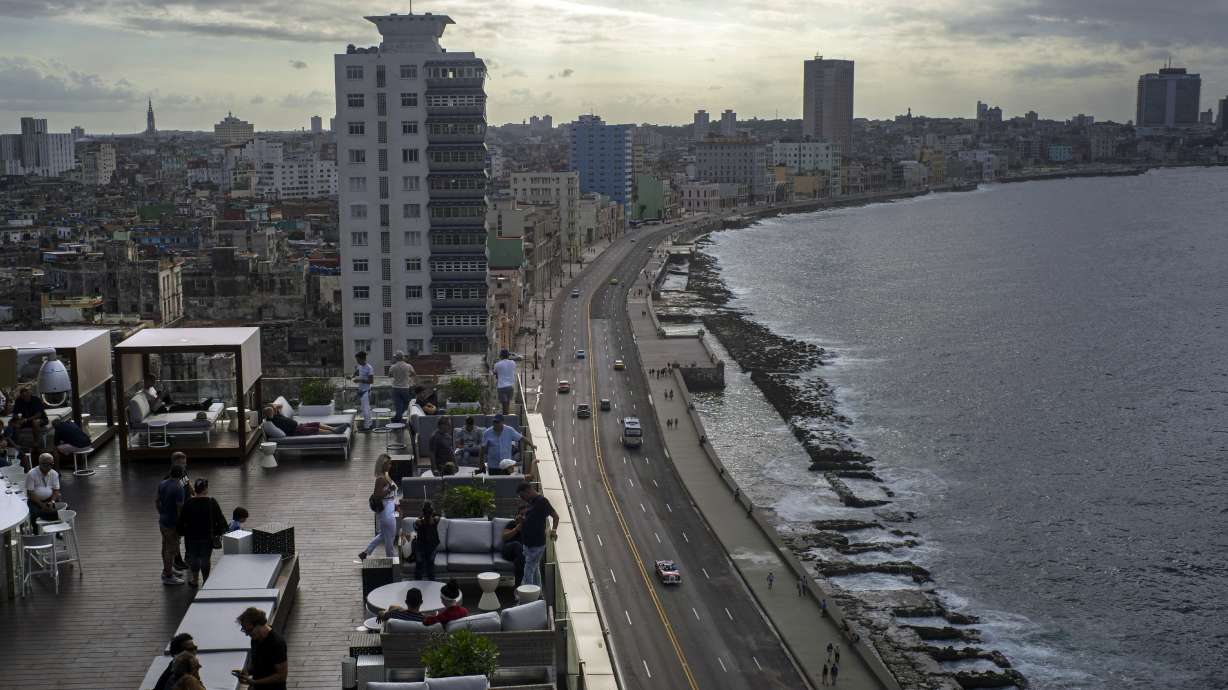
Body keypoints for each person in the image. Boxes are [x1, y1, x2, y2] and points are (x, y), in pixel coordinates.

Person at [177, 478, 229, 587]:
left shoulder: (189, 503)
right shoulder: (211, 502)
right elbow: (219, 518)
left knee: (194, 557)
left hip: (191, 536)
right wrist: (221, 531)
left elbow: (182, 520)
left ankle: (195, 580)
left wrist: (181, 532)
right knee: (205, 558)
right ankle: (206, 581)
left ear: (195, 489)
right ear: (205, 489)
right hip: (207, 536)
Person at [516, 481, 558, 588]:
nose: (522, 498)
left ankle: (526, 595)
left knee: (528, 570)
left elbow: (555, 516)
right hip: (529, 543)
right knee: (534, 569)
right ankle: (537, 593)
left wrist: (553, 530)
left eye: (522, 495)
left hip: (536, 544)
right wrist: (522, 520)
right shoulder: (532, 502)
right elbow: (533, 520)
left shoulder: (542, 501)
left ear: (528, 491)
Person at [236, 607, 288, 690]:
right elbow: (257, 662)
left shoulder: (277, 643)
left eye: (249, 630)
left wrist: (254, 682)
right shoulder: (255, 639)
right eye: (245, 631)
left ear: (259, 625)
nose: (247, 634)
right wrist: (247, 672)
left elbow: (281, 676)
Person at [358, 454, 398, 560]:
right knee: (390, 536)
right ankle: (391, 560)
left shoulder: (386, 476)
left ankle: (365, 552)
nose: (390, 466)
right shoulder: (380, 479)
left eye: (390, 463)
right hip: (387, 511)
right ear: (383, 464)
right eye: (388, 464)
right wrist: (389, 490)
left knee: (383, 534)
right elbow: (377, 495)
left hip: (389, 508)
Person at [157, 465, 188, 585]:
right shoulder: (178, 488)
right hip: (172, 524)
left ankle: (167, 570)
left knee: (165, 547)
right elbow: (180, 508)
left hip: (163, 521)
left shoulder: (162, 483)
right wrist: (181, 523)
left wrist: (162, 513)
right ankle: (168, 576)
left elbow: (157, 501)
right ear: (181, 475)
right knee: (171, 550)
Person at [25, 453, 61, 531]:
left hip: (50, 500)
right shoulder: (31, 474)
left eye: (52, 464)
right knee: (35, 514)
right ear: (40, 464)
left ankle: (57, 531)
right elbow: (30, 493)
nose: (50, 466)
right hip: (35, 501)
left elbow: (56, 490)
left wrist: (52, 501)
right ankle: (36, 532)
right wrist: (41, 505)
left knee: (63, 510)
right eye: (48, 464)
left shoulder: (54, 473)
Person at [8, 387, 48, 453]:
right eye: (23, 396)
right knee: (14, 423)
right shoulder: (19, 400)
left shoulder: (36, 400)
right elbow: (15, 413)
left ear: (29, 394)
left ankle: (36, 444)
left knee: (35, 422)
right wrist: (17, 418)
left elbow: (38, 414)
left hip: (40, 419)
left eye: (26, 396)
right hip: (24, 420)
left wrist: (26, 419)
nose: (25, 397)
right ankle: (16, 443)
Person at [263, 404, 344, 436]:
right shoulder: (271, 419)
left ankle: (334, 429)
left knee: (317, 423)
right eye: (273, 409)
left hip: (298, 426)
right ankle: (335, 433)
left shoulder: (277, 414)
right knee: (315, 429)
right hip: (295, 431)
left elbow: (280, 406)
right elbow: (269, 410)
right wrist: (271, 407)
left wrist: (274, 406)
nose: (274, 409)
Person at [413, 501, 441, 580]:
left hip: (425, 547)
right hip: (425, 547)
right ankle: (430, 582)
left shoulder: (419, 521)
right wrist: (432, 513)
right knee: (428, 565)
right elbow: (438, 516)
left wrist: (421, 516)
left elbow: (416, 524)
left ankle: (418, 582)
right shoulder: (435, 520)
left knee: (421, 564)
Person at [501, 507, 528, 587]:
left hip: (520, 554)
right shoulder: (512, 523)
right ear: (517, 515)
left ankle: (518, 588)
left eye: (526, 515)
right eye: (522, 514)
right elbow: (504, 537)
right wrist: (516, 529)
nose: (523, 517)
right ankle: (521, 588)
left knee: (519, 561)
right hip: (508, 550)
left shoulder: (530, 526)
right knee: (517, 544)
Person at [389, 351, 416, 424]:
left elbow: (389, 375)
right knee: (407, 403)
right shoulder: (408, 366)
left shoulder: (393, 366)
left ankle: (397, 417)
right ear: (403, 357)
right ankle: (398, 417)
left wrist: (396, 376)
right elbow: (414, 374)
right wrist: (407, 376)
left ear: (396, 358)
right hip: (405, 388)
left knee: (398, 404)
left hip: (395, 388)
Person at [352, 351, 374, 431]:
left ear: (362, 359)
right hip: (361, 390)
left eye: (358, 360)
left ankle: (367, 427)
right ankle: (369, 424)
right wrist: (352, 376)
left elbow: (371, 381)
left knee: (365, 410)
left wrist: (359, 380)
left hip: (366, 391)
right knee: (366, 409)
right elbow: (357, 371)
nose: (357, 361)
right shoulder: (360, 366)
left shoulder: (369, 368)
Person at [493, 349, 517, 415]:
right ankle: (507, 416)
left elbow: (495, 373)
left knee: (504, 405)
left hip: (501, 386)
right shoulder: (513, 362)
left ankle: (505, 418)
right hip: (511, 386)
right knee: (508, 403)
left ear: (500, 356)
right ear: (508, 356)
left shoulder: (497, 364)